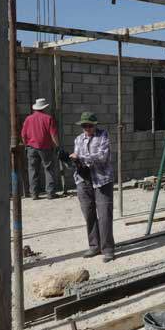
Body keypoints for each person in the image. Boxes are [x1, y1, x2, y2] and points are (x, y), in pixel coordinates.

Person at [69, 112, 115, 263]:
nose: (86, 128)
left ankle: (107, 249)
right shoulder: (78, 139)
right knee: (89, 214)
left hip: (102, 180)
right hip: (83, 180)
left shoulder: (103, 136)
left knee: (104, 215)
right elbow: (77, 158)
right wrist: (71, 160)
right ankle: (94, 245)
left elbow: (103, 157)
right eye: (84, 126)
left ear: (95, 125)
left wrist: (81, 158)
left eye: (89, 125)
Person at [20, 97, 59, 200]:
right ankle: (50, 193)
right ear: (44, 107)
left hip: (31, 147)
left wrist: (26, 145)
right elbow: (53, 134)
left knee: (33, 170)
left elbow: (23, 134)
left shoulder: (28, 119)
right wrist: (56, 146)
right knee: (49, 169)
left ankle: (34, 194)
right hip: (46, 147)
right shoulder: (48, 118)